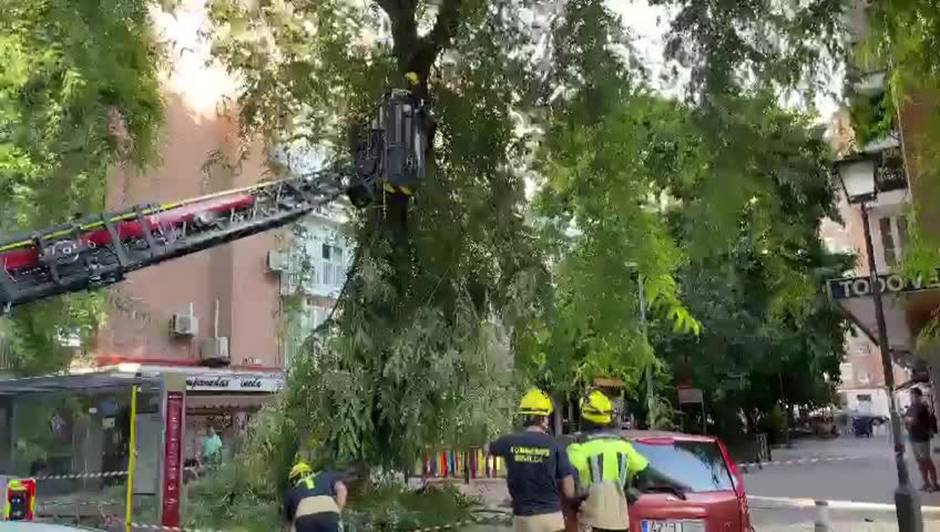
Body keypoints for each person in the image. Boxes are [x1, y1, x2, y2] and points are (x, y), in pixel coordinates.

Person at [487, 388, 576, 532]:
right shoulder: (555, 446)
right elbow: (569, 491)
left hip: (523, 520)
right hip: (551, 519)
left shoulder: (508, 442)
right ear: (542, 418)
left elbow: (489, 448)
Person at [566, 389, 652, 532]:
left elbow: (565, 482)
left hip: (591, 522)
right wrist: (629, 495)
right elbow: (647, 475)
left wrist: (574, 502)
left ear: (584, 418)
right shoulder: (624, 447)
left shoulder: (578, 448)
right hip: (620, 523)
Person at [283, 460, 348, 532]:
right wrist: (338, 513)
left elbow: (288, 525)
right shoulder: (324, 475)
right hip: (329, 516)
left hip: (304, 520)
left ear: (293, 480)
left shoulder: (291, 492)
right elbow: (342, 490)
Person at [905, 388, 939, 492]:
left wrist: (909, 420)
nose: (912, 397)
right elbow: (906, 421)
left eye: (914, 395)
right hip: (913, 437)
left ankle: (934, 484)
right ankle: (926, 483)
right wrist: (908, 420)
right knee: (920, 462)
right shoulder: (911, 408)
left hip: (922, 438)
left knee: (926, 461)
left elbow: (913, 421)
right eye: (911, 395)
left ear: (919, 396)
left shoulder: (922, 408)